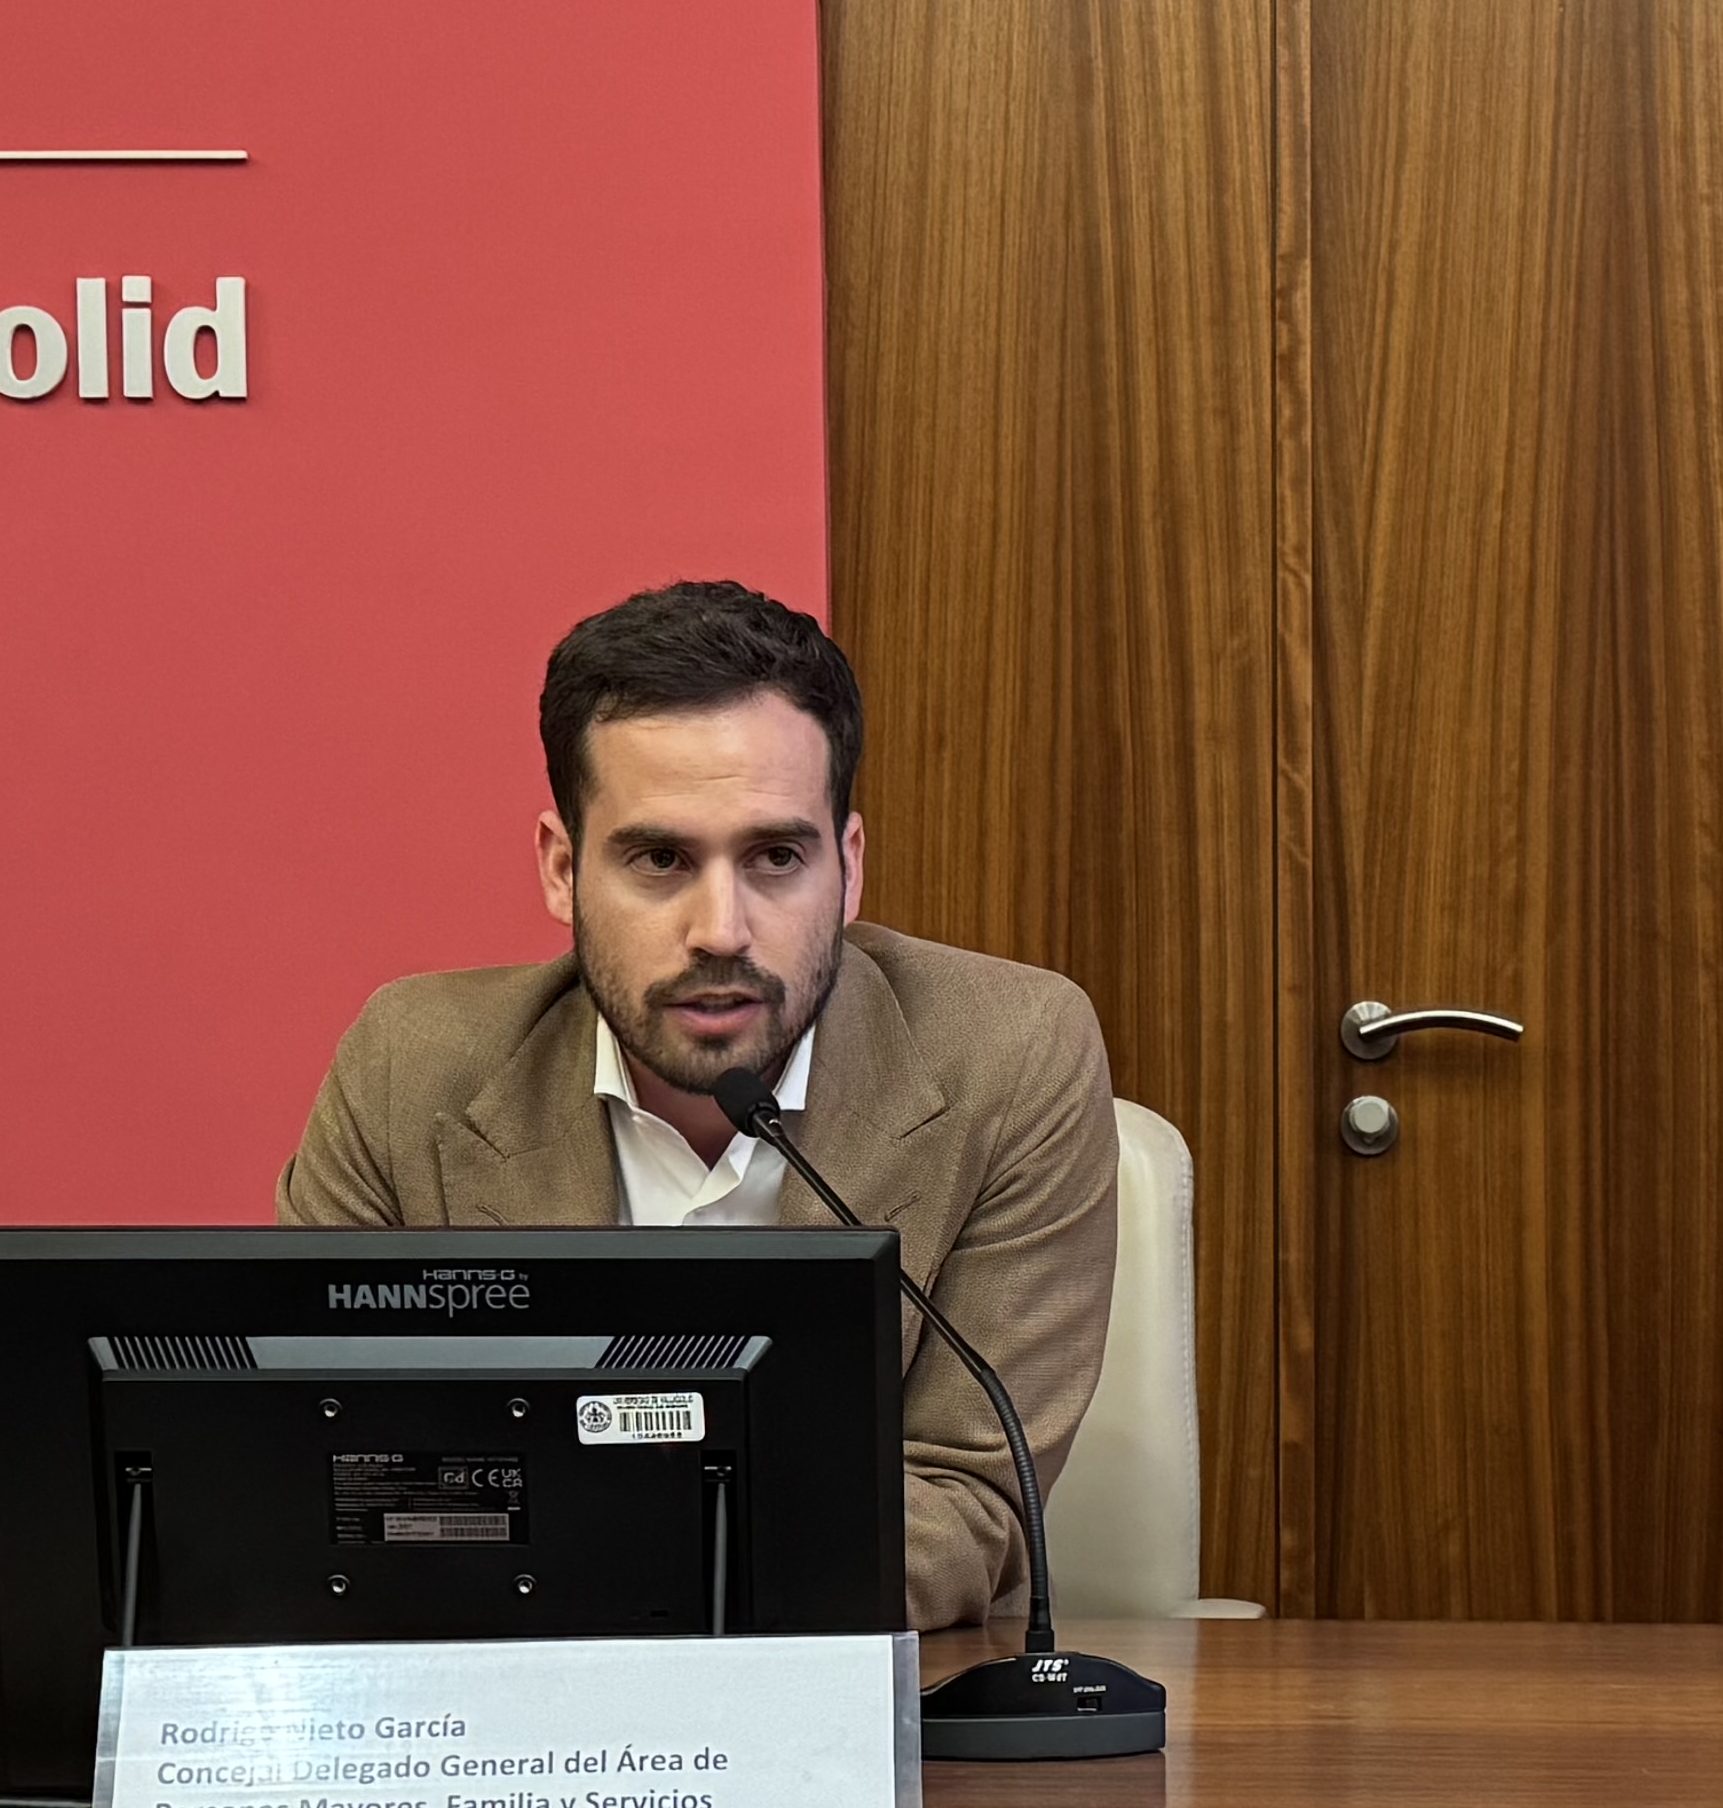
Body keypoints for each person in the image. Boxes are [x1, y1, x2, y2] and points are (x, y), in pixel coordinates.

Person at [281, 580, 1119, 1633]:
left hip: (837, 1695)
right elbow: (331, 1469)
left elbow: (966, 1499)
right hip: (496, 1694)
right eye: (660, 859)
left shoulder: (1010, 1055)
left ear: (849, 869)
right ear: (562, 869)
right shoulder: (410, 1068)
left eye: (777, 858)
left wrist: (569, 1558)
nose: (721, 929)